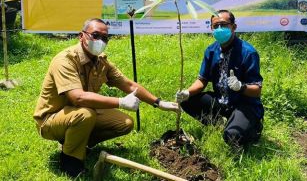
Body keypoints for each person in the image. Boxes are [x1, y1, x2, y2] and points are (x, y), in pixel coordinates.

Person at [33, 18, 178, 178]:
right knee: (85, 114)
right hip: (52, 119)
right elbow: (78, 98)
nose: (100, 41)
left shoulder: (101, 61)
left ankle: (79, 142)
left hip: (81, 112)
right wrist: (121, 102)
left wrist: (159, 103)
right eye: (95, 35)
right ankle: (70, 162)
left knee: (125, 124)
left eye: (105, 38)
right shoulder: (65, 60)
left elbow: (128, 85)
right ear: (81, 36)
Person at [176, 10, 264, 149]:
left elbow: (257, 91)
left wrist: (240, 87)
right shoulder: (211, 51)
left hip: (244, 104)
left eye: (223, 25)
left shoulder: (248, 53)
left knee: (232, 137)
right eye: (215, 26)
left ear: (233, 27)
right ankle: (219, 123)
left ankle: (253, 127)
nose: (219, 29)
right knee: (186, 100)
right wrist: (187, 92)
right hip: (221, 101)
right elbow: (202, 81)